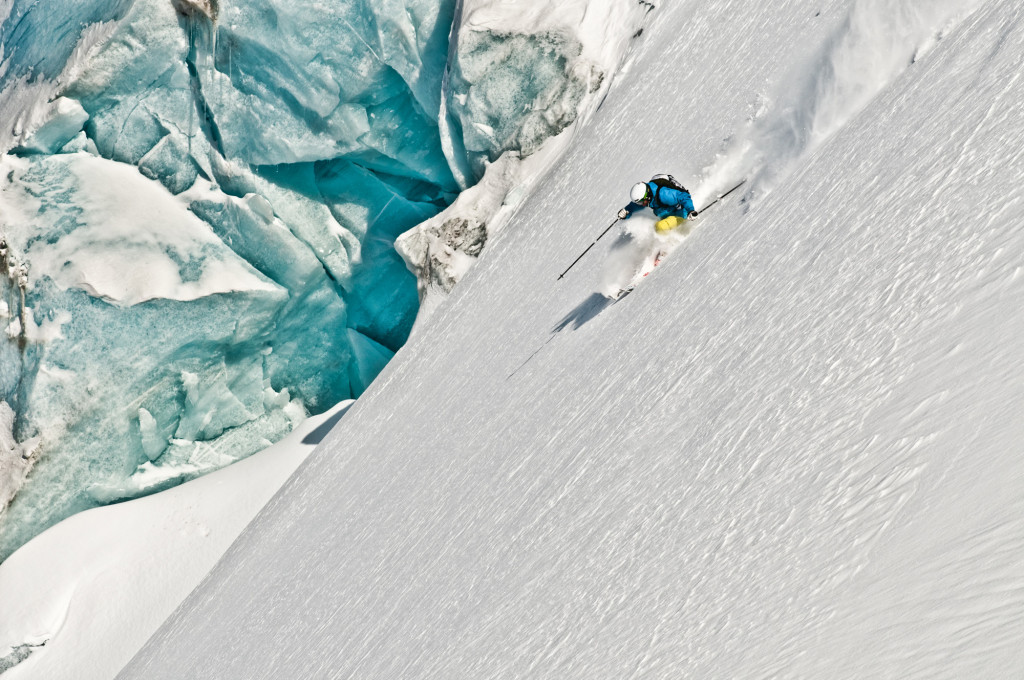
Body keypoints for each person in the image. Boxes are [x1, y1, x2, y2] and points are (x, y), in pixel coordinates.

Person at [617, 175, 697, 233]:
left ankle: (665, 246)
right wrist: (626, 212)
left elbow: (684, 196)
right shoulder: (648, 195)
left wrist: (690, 210)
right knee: (652, 227)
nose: (640, 204)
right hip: (668, 213)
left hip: (682, 214)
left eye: (641, 202)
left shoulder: (663, 194)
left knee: (660, 227)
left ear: (647, 196)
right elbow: (634, 205)